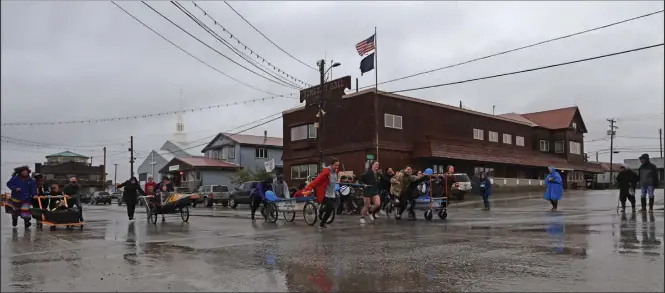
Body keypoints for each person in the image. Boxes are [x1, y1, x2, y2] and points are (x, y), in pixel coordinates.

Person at [303, 157, 340, 229]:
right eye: (335, 165)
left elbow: (335, 181)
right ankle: (321, 223)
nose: (337, 167)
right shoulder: (326, 172)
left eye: (338, 165)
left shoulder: (336, 172)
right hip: (324, 193)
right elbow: (317, 181)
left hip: (332, 193)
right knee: (330, 208)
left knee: (331, 209)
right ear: (331, 165)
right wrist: (309, 188)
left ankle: (321, 211)